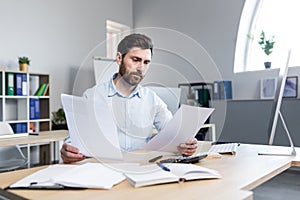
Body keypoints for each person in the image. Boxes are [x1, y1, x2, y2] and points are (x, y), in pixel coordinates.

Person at [60, 33, 198, 164]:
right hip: (103, 171)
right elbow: (74, 140)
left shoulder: (152, 100)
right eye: (136, 60)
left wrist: (186, 144)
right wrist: (69, 150)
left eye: (146, 62)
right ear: (119, 58)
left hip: (139, 170)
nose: (141, 68)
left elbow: (173, 134)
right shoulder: (92, 96)